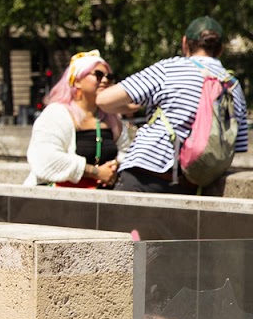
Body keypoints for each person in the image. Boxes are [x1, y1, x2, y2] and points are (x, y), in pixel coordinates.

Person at [98, 17, 249, 195]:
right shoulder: (233, 86)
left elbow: (104, 100)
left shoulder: (170, 68)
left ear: (185, 43)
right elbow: (237, 145)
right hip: (189, 184)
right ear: (220, 49)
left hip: (144, 173)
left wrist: (134, 106)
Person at [25, 51, 123, 188]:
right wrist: (95, 172)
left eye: (109, 77)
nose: (105, 80)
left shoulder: (112, 117)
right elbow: (45, 159)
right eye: (98, 75)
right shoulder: (56, 114)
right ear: (77, 81)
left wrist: (115, 166)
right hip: (60, 199)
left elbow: (125, 152)